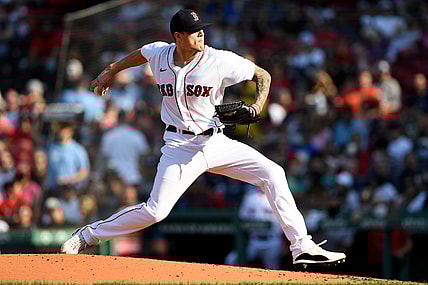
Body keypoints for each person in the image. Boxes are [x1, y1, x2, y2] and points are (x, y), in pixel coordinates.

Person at [61, 9, 346, 267]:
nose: (201, 34)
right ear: (178, 37)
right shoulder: (160, 54)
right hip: (179, 146)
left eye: (201, 29)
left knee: (273, 172)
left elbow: (263, 75)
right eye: (194, 31)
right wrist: (112, 71)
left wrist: (258, 107)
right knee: (155, 211)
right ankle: (87, 235)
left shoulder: (218, 59)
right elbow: (142, 52)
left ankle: (302, 247)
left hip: (215, 141)